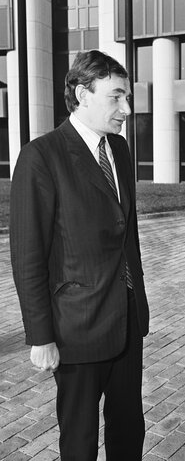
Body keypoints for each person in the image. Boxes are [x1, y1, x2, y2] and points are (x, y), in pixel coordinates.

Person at [10, 50, 149, 461]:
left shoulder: (120, 151)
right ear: (82, 93)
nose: (126, 108)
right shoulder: (42, 156)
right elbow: (28, 254)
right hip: (76, 328)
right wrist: (41, 336)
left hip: (127, 320)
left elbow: (129, 233)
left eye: (127, 97)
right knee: (80, 439)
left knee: (129, 431)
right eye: (116, 96)